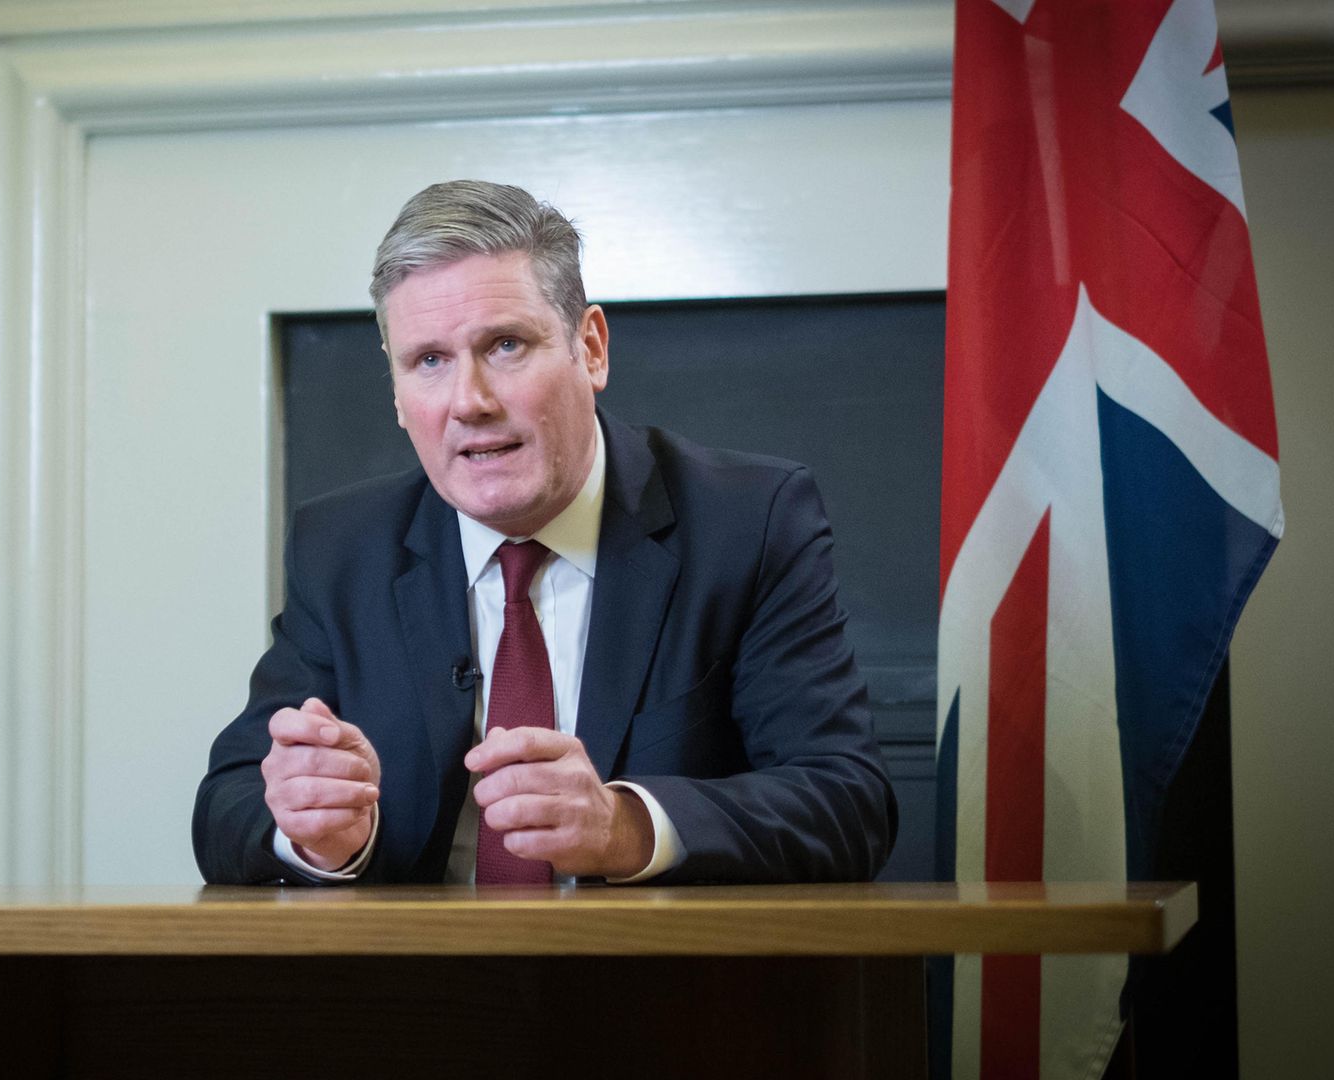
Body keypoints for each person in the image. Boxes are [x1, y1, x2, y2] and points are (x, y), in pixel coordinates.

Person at [193, 180, 895, 885]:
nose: (470, 401)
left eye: (505, 345)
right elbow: (227, 803)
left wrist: (625, 826)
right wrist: (317, 834)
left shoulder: (746, 522)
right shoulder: (344, 546)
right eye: (429, 361)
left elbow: (847, 803)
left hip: (658, 984)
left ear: (589, 348)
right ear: (399, 396)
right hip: (418, 987)